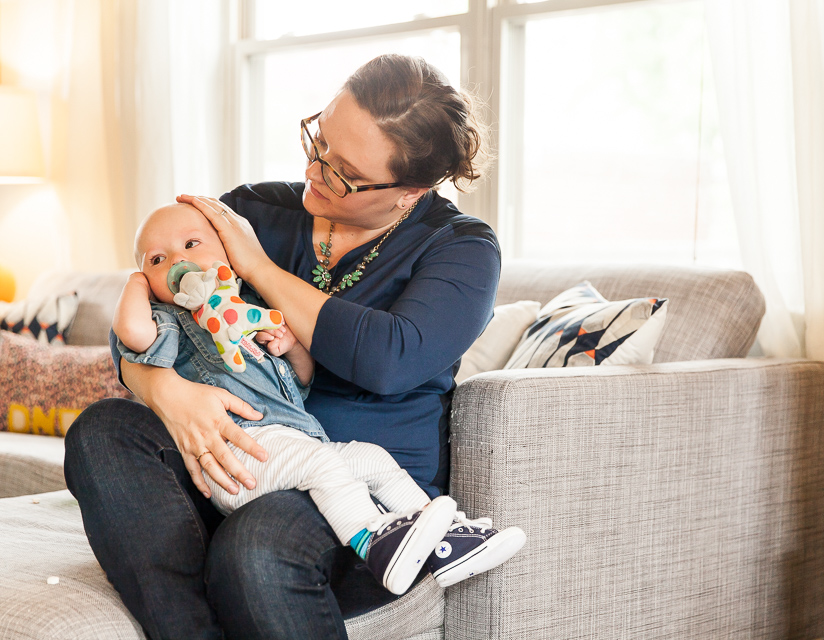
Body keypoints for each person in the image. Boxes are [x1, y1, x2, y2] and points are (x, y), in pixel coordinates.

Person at [64, 53, 509, 639]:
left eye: (344, 171)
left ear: (409, 192)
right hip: (236, 461)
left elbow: (389, 358)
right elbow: (149, 318)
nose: (315, 169)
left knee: (256, 547)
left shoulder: (461, 250)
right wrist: (165, 389)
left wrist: (256, 267)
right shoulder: (254, 209)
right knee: (100, 431)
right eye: (318, 139)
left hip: (356, 495)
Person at [113, 201, 524, 597]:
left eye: (190, 246)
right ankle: (371, 541)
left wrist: (291, 346)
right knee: (323, 464)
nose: (177, 264)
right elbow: (131, 336)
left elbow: (301, 381)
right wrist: (134, 283)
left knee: (372, 459)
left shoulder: (250, 308)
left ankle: (444, 541)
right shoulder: (168, 322)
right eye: (156, 260)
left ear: (229, 250)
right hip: (239, 454)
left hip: (295, 440)